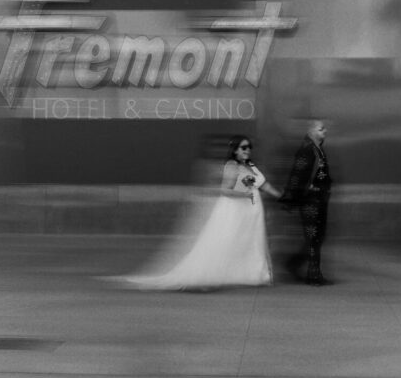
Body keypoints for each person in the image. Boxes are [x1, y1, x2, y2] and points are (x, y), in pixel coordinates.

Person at [111, 135, 282, 290]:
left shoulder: (250, 166)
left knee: (248, 243)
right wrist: (244, 194)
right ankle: (211, 275)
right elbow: (225, 190)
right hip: (236, 211)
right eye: (243, 147)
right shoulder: (232, 166)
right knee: (227, 241)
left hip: (250, 213)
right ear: (235, 150)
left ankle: (250, 274)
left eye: (249, 147)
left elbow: (263, 184)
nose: (247, 150)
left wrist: (280, 196)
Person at [280, 119, 333, 286]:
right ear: (311, 132)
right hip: (310, 201)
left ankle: (293, 265)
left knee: (318, 237)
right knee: (313, 237)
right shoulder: (307, 151)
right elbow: (297, 174)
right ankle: (313, 275)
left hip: (319, 199)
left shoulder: (318, 150)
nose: (325, 131)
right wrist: (297, 195)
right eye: (321, 129)